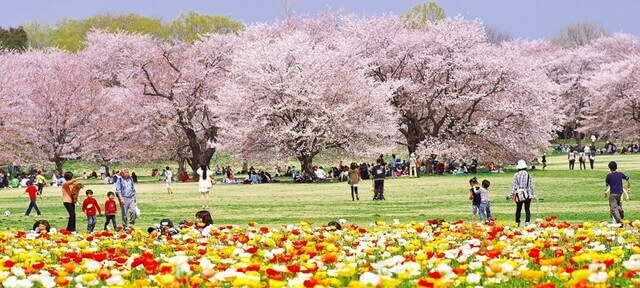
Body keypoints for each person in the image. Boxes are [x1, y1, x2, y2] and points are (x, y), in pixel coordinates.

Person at [509, 160, 536, 227]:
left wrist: (512, 194)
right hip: (527, 194)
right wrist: (533, 194)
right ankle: (527, 222)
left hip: (519, 194)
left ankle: (517, 222)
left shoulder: (516, 175)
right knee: (527, 208)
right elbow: (531, 186)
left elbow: (514, 185)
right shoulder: (528, 175)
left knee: (518, 209)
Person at [605, 161, 631, 226]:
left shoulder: (609, 176)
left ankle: (619, 221)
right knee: (618, 205)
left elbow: (607, 185)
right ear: (616, 167)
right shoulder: (620, 174)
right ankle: (620, 211)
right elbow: (627, 178)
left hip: (613, 194)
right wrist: (628, 187)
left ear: (609, 168)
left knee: (613, 208)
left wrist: (606, 192)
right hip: (620, 193)